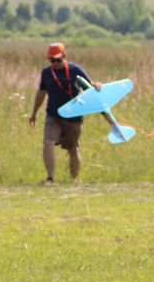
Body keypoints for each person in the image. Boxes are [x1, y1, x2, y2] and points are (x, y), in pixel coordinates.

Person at [28, 42, 102, 184]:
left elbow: (90, 86)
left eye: (58, 60)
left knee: (73, 149)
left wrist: (97, 85)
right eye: (52, 60)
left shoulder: (75, 70)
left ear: (64, 56)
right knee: (48, 142)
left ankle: (74, 179)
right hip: (53, 115)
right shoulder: (46, 73)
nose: (55, 63)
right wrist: (34, 114)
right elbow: (41, 93)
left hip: (73, 116)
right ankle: (50, 178)